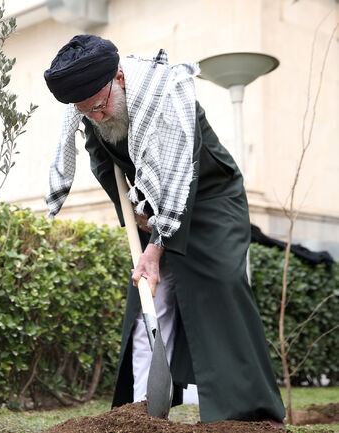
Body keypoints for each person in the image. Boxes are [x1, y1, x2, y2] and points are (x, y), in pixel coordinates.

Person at [43, 34, 285, 425]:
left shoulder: (169, 94)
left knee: (220, 284)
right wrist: (139, 216)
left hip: (208, 197)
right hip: (151, 201)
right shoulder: (92, 109)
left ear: (118, 77)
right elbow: (105, 165)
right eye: (86, 112)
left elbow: (181, 178)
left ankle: (249, 414)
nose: (97, 117)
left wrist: (156, 247)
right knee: (151, 302)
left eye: (100, 107)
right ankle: (144, 414)